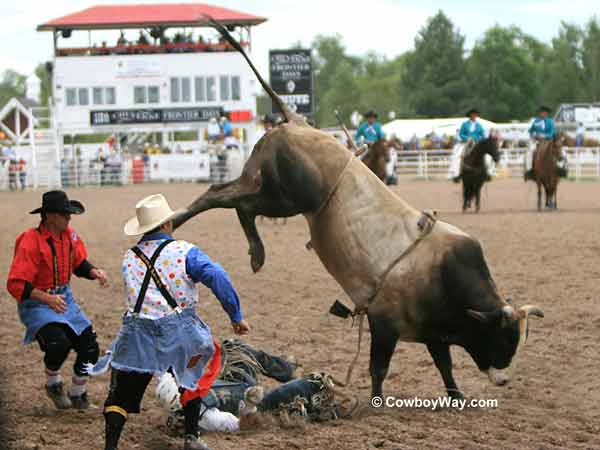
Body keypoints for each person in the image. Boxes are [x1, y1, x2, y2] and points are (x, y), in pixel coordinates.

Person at [90, 194, 250, 450]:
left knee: (120, 395)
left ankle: (111, 446)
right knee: (191, 376)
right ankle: (191, 437)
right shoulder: (184, 251)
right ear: (166, 224)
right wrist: (236, 316)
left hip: (137, 331)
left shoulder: (129, 257)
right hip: (178, 329)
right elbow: (216, 275)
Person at [6, 190, 108, 410]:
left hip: (64, 298)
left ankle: (78, 392)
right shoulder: (30, 241)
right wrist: (46, 298)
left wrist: (94, 272)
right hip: (36, 303)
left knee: (90, 346)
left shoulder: (69, 235)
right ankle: (53, 383)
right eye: (64, 214)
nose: (69, 217)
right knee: (59, 343)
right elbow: (16, 284)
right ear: (50, 216)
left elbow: (79, 263)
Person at [524, 106, 560, 180]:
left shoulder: (550, 122)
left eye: (544, 113)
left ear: (547, 114)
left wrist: (544, 136)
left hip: (549, 141)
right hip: (537, 141)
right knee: (529, 152)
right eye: (541, 112)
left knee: (560, 151)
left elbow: (552, 132)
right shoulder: (536, 121)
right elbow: (530, 131)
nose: (542, 114)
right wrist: (534, 135)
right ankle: (529, 170)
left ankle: (561, 168)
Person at [448, 108, 486, 181]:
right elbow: (461, 134)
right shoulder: (465, 124)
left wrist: (477, 138)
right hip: (466, 142)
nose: (474, 116)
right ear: (470, 116)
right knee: (458, 155)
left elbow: (482, 135)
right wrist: (467, 138)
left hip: (476, 142)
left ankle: (486, 173)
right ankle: (457, 173)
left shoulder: (479, 125)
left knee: (486, 155)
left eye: (475, 115)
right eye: (473, 114)